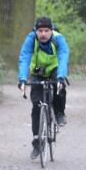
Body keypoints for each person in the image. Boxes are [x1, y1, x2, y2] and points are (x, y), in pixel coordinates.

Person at [18, 16, 70, 160]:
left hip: (55, 69)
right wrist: (22, 79)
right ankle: (37, 143)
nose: (43, 34)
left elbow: (63, 57)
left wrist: (60, 76)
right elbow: (24, 57)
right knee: (36, 104)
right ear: (36, 31)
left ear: (51, 30)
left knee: (60, 87)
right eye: (40, 30)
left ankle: (59, 112)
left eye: (46, 30)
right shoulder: (31, 39)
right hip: (38, 71)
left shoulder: (58, 39)